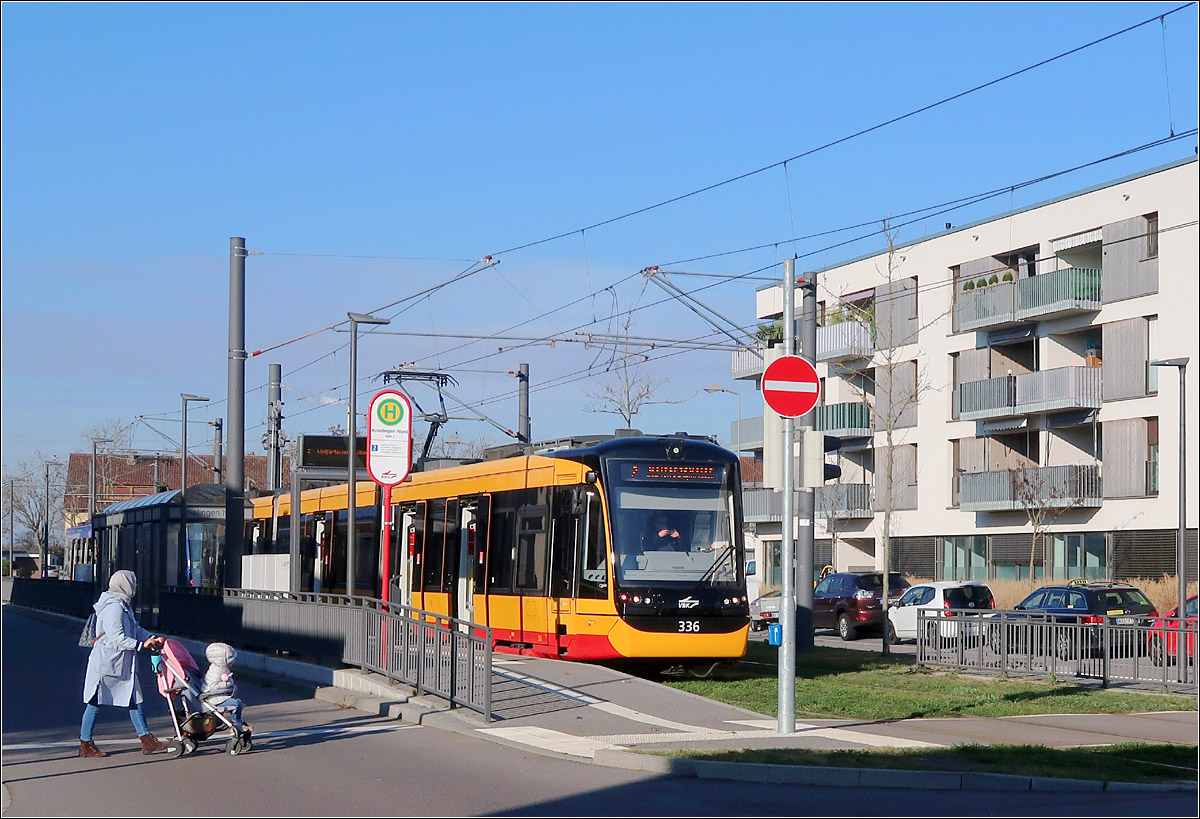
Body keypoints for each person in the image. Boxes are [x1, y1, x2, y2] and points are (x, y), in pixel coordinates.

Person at [78, 570, 169, 757]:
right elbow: (116, 636)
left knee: (134, 699)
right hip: (107, 663)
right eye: (133, 583)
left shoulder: (122, 605)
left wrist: (150, 638)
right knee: (95, 701)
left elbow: (134, 629)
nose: (135, 586)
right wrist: (140, 645)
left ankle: (146, 738)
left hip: (118, 663)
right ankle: (85, 742)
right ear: (124, 584)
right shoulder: (114, 607)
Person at [200, 642, 252, 733]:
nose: (233, 662)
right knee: (236, 704)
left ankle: (236, 721)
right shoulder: (215, 671)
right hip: (214, 698)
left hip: (219, 697)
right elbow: (213, 686)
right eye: (230, 660)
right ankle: (235, 723)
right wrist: (226, 683)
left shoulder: (222, 668)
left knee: (238, 703)